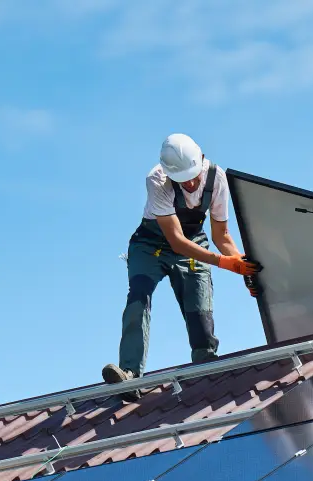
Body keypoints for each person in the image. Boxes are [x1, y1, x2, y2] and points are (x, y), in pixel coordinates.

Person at [103, 134, 261, 399]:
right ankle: (130, 376)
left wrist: (242, 269)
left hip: (194, 242)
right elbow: (175, 240)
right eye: (182, 179)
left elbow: (221, 235)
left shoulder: (216, 178)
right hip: (151, 245)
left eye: (193, 176)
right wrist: (224, 263)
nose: (189, 183)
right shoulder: (157, 179)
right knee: (138, 299)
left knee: (199, 311)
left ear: (201, 161)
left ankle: (205, 367)